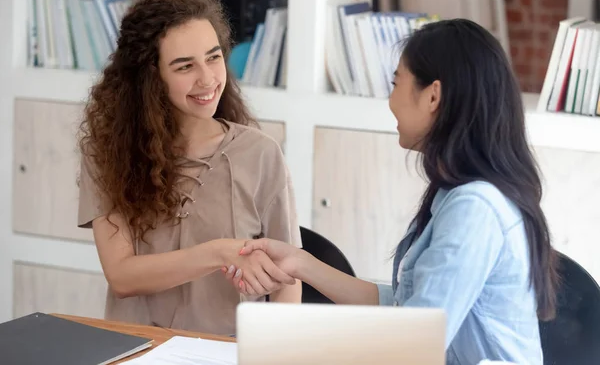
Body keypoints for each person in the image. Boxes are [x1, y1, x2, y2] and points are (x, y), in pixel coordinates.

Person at [225, 19, 558, 364]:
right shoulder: (459, 194)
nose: (391, 101)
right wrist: (301, 263)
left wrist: (292, 341)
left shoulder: (475, 209)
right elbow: (406, 309)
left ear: (433, 96)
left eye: (396, 83)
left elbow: (414, 342)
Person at [76, 0, 301, 336]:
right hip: (137, 348)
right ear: (151, 78)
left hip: (231, 350)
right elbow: (122, 276)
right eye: (185, 67)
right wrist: (218, 253)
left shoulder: (260, 153)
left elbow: (288, 277)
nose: (208, 78)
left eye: (213, 57)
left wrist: (276, 352)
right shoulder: (106, 155)